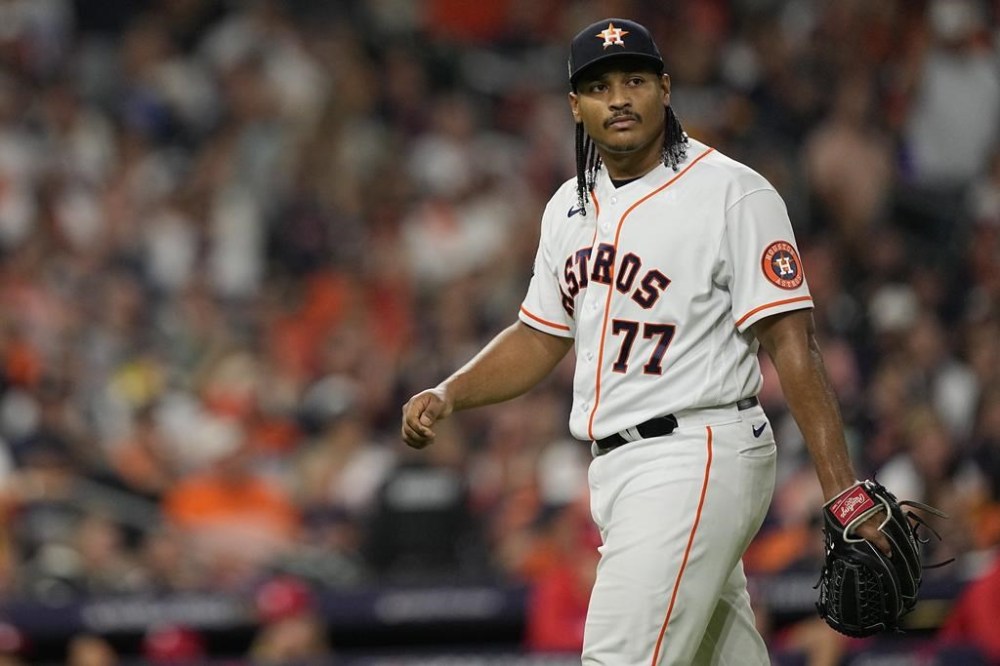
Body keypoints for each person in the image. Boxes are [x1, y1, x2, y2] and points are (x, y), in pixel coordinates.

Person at [401, 17, 890, 665]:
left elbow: (794, 347)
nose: (620, 98)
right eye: (600, 87)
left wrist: (843, 491)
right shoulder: (566, 209)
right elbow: (539, 336)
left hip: (698, 449)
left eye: (635, 79)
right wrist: (451, 392)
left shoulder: (731, 192)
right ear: (576, 105)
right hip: (619, 469)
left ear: (665, 87)